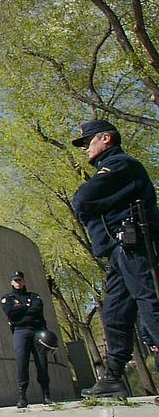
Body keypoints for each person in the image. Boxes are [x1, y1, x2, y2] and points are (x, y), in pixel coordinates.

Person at [70, 119, 159, 398]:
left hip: (135, 248)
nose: (85, 148)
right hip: (119, 251)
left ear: (106, 138)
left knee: (149, 303)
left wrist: (89, 208)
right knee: (115, 312)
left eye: (88, 141)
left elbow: (83, 199)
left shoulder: (120, 164)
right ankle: (112, 377)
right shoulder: (110, 168)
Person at [1, 270, 51, 407]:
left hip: (37, 331)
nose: (18, 282)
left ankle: (46, 395)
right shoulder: (8, 298)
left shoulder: (34, 296)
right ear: (12, 282)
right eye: (15, 280)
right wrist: (27, 308)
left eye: (20, 280)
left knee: (42, 362)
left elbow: (37, 310)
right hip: (20, 331)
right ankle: (22, 396)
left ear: (23, 281)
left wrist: (21, 310)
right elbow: (11, 313)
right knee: (22, 362)